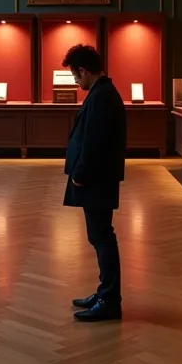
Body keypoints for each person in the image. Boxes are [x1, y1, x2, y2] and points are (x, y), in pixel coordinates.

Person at [61, 43, 126, 322]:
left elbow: (94, 142)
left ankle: (109, 299)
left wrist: (79, 174)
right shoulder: (102, 93)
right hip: (97, 179)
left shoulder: (102, 96)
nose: (76, 82)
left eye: (76, 76)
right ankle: (104, 293)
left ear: (84, 70)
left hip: (95, 180)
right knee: (99, 237)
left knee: (102, 238)